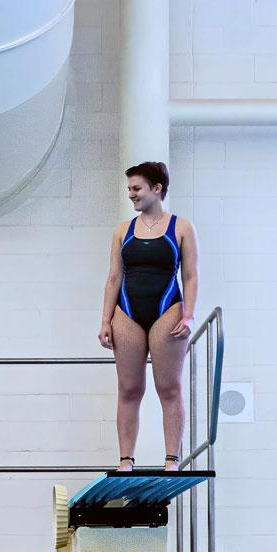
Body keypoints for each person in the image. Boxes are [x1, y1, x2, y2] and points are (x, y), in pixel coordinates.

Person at [97, 161, 200, 472]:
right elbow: (114, 277)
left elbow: (192, 276)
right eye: (129, 189)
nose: (131, 194)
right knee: (129, 388)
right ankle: (126, 459)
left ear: (157, 189)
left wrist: (190, 315)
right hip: (126, 312)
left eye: (137, 188)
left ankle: (172, 459)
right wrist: (105, 320)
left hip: (168, 309)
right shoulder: (122, 231)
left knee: (169, 387)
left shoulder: (181, 227)